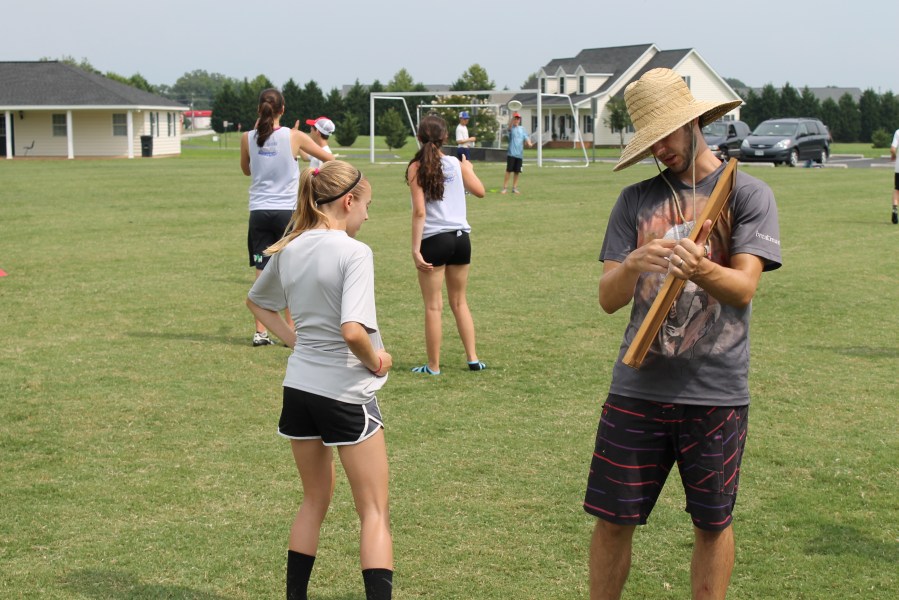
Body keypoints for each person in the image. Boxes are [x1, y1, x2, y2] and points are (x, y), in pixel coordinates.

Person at [584, 68, 782, 600]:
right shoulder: (634, 200)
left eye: (666, 136)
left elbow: (743, 288)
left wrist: (700, 268)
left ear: (694, 122)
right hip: (636, 390)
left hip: (716, 392)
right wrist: (634, 264)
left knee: (712, 524)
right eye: (650, 141)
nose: (660, 150)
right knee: (612, 520)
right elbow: (607, 298)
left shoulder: (748, 193)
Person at [246, 161, 394, 600]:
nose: (367, 215)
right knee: (374, 511)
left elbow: (257, 302)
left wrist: (297, 341)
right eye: (367, 205)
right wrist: (378, 360)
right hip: (345, 391)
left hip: (299, 389)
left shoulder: (290, 247)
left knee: (313, 501)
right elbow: (353, 331)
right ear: (348, 201)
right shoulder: (354, 252)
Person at [240, 88, 334, 346]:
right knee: (290, 270)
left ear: (259, 109)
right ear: (282, 109)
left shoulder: (247, 137)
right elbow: (328, 159)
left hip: (258, 212)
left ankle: (260, 333)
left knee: (261, 269)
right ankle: (290, 333)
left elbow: (246, 169)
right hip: (287, 213)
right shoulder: (294, 136)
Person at [406, 114, 487, 375]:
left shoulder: (415, 167)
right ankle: (473, 359)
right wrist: (468, 170)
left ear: (419, 137)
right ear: (445, 137)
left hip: (435, 239)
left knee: (434, 306)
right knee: (459, 301)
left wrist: (415, 249)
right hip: (461, 239)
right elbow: (480, 191)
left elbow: (420, 212)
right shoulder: (454, 162)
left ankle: (433, 366)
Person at [501, 112, 534, 194]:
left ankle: (514, 188)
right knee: (508, 171)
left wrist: (529, 143)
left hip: (519, 154)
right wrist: (512, 120)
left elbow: (526, 137)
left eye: (517, 119)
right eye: (515, 119)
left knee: (517, 172)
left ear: (519, 120)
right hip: (511, 154)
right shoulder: (511, 129)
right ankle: (505, 188)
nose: (516, 120)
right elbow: (509, 127)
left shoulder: (522, 129)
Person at [890, 128, 899, 224]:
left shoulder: (898, 132)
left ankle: (895, 209)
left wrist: (894, 156)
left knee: (897, 189)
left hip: (898, 168)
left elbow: (893, 149)